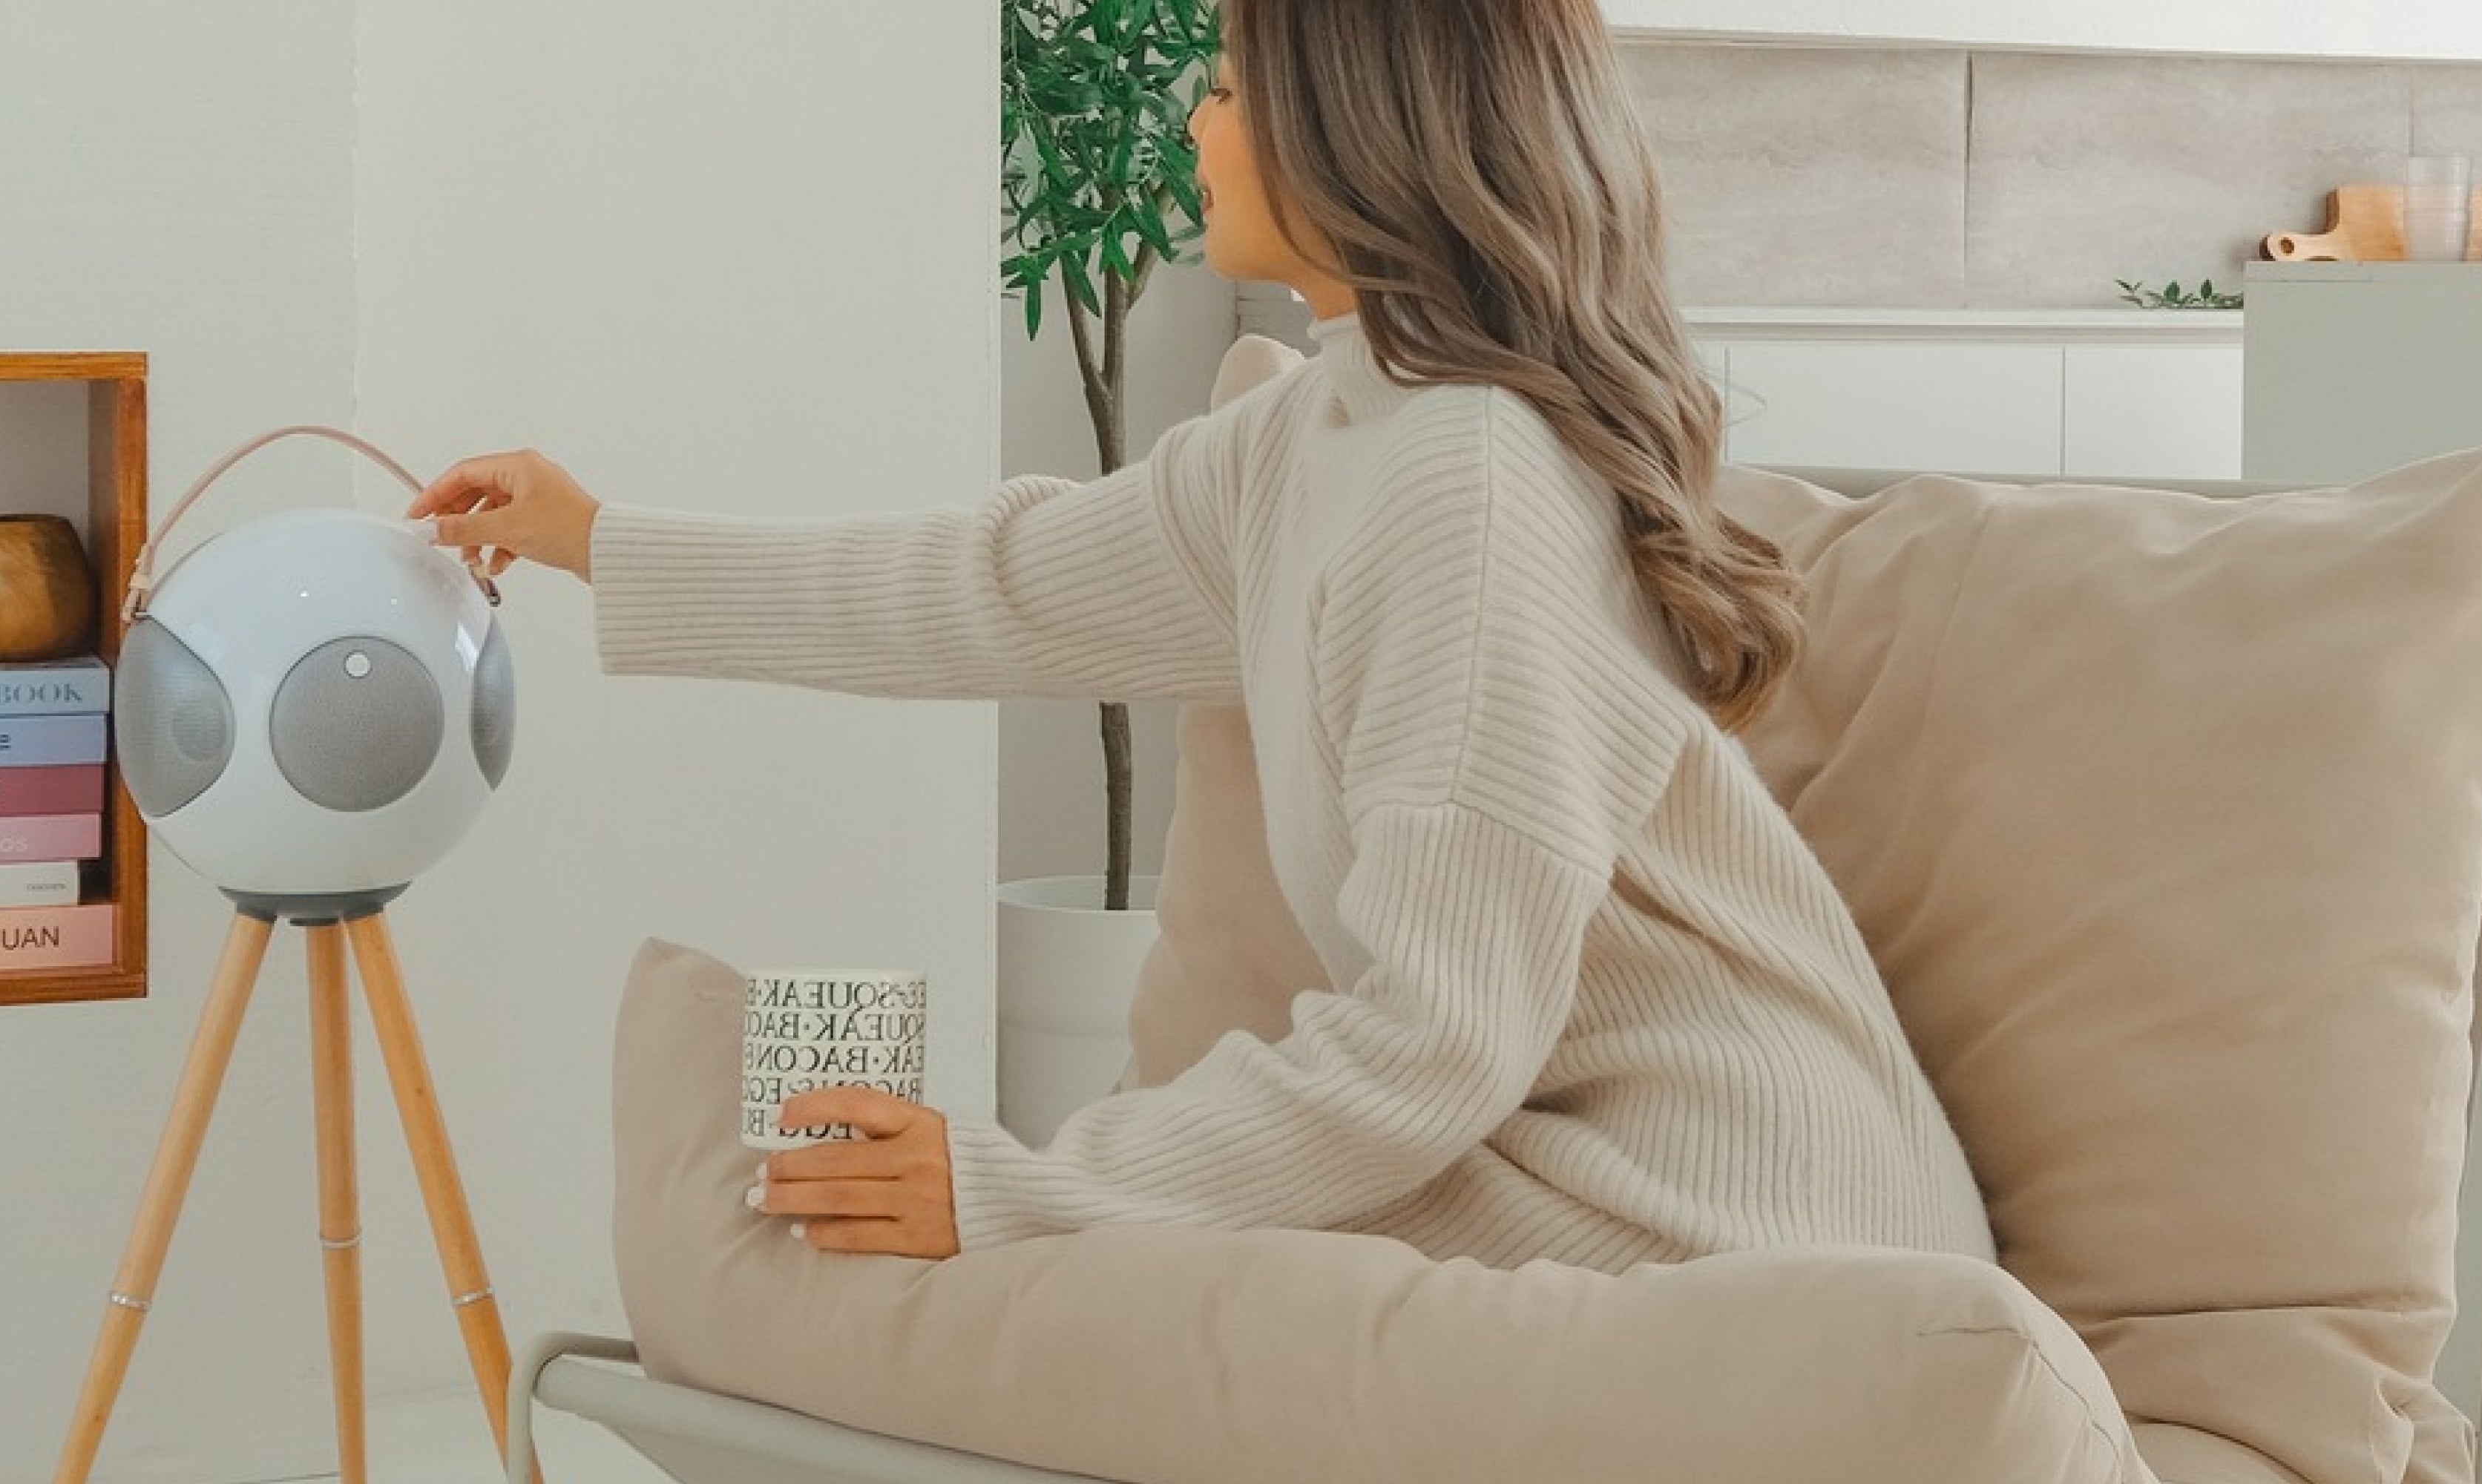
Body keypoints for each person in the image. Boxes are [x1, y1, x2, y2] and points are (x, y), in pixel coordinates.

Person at [409, 0, 1990, 1273]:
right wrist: (596, 543)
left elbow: (1433, 1044)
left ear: (1354, 128)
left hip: (1731, 1222)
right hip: (1541, 1156)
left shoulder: (1472, 481)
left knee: (1032, 1266)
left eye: (1231, 83)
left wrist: (1018, 1183)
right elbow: (995, 582)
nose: (1197, 122)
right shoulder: (1327, 427)